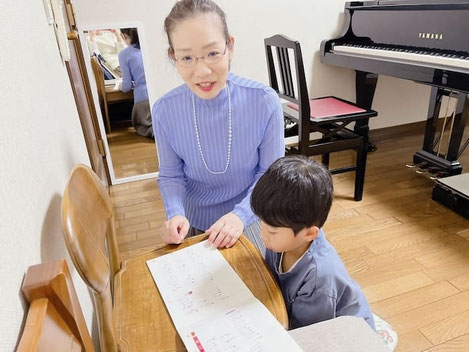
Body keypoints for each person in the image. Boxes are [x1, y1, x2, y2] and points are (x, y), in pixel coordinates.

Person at [152, 0, 284, 254]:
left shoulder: (264, 101)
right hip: (194, 223)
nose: (202, 71)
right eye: (187, 57)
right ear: (173, 57)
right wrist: (175, 213)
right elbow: (171, 174)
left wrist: (240, 216)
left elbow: (270, 173)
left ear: (230, 47)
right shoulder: (164, 110)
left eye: (212, 53)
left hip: (251, 215)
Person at [251, 155, 375, 330]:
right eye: (262, 223)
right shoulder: (283, 239)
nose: (263, 235)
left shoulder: (320, 277)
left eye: (272, 231)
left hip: (348, 334)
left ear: (309, 233)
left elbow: (308, 333)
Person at [118, 28, 153, 138]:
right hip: (160, 96)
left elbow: (127, 86)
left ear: (124, 35)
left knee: (141, 126)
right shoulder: (150, 47)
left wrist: (120, 86)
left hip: (143, 101)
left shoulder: (124, 54)